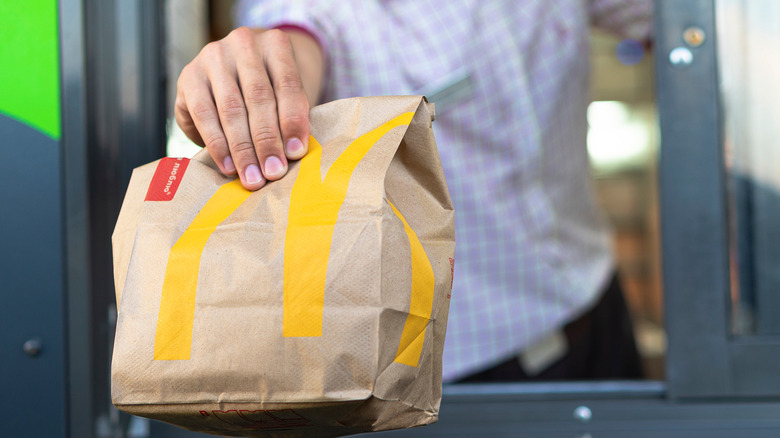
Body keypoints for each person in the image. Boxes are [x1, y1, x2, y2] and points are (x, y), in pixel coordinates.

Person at [174, 0, 651, 382]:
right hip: (460, 374)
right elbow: (288, 42)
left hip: (598, 307)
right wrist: (254, 68)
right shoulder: (323, 11)